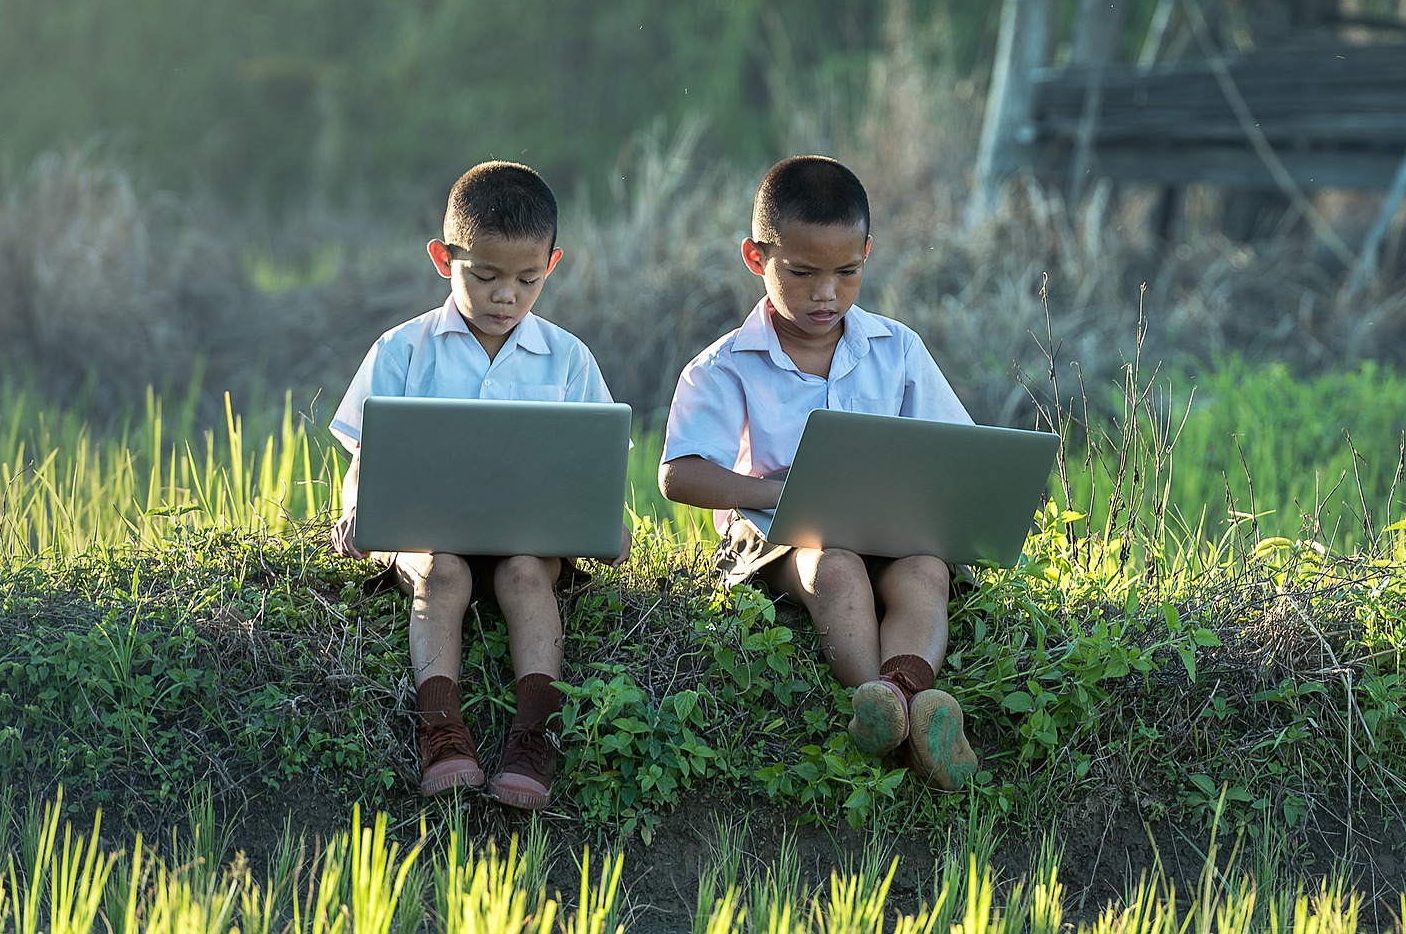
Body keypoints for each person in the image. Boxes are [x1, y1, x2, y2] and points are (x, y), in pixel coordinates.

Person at [657, 155, 979, 790]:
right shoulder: (726, 366)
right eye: (801, 274)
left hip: (884, 522)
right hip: (779, 529)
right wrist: (773, 492)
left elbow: (956, 447)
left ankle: (898, 698)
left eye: (847, 272)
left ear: (867, 253)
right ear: (757, 259)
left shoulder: (897, 348)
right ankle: (890, 702)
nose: (826, 293)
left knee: (925, 571)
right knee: (832, 566)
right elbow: (681, 474)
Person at [329, 160, 624, 810]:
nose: (505, 297)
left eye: (527, 279)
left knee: (526, 572)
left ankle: (535, 732)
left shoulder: (569, 359)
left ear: (553, 262)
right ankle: (441, 728)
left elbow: (592, 461)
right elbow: (365, 452)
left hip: (529, 531)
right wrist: (356, 509)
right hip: (428, 529)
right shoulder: (402, 350)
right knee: (443, 571)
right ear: (443, 258)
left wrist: (609, 522)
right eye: (484, 276)